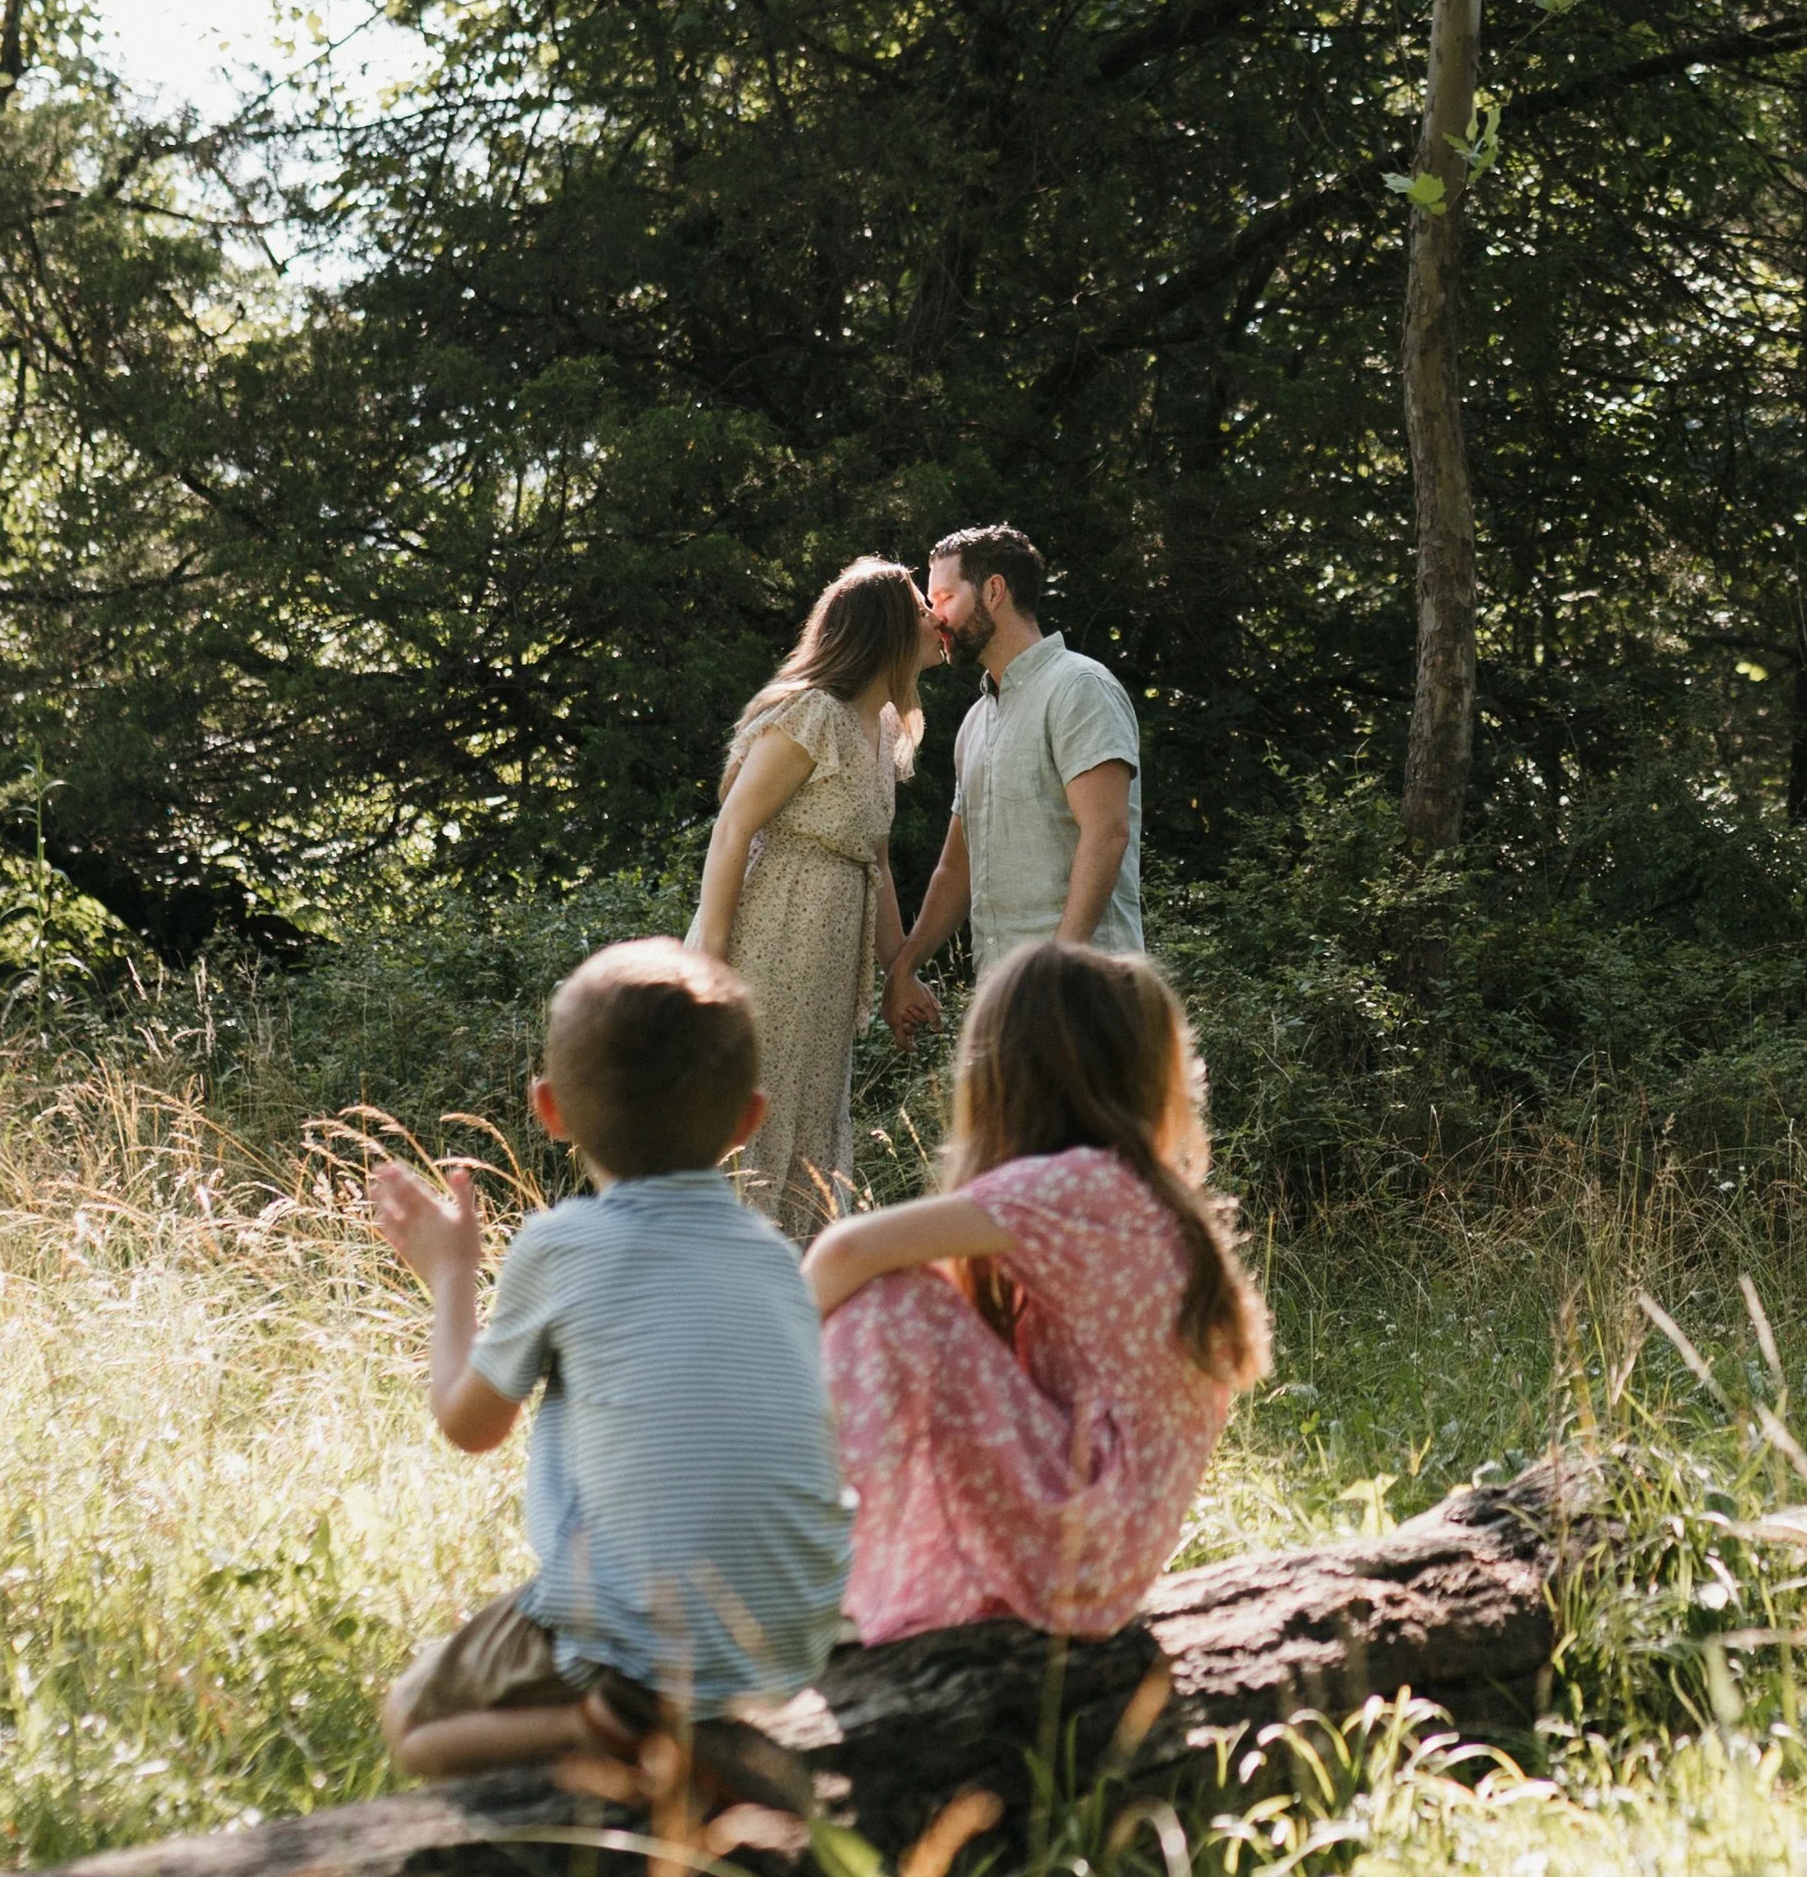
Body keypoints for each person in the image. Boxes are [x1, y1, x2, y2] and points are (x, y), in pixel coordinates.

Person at [366, 937, 850, 1794]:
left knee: (412, 1723)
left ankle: (604, 1728)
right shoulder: (776, 1256)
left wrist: (450, 1273)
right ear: (749, 1119)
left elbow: (468, 1423)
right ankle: (678, 1737)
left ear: (547, 1110)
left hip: (639, 1642)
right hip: (795, 1628)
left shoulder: (562, 1245)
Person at [803, 940, 1268, 1643]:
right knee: (926, 1294)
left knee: (890, 1303)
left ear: (1008, 1073)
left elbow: (846, 1249)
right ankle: (867, 1576)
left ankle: (810, 1570)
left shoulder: (1078, 1185)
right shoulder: (1131, 1193)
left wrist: (762, 1372)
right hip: (1106, 1555)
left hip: (1082, 1548)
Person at [688, 558, 947, 1237]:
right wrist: (710, 960)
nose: (936, 617)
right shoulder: (814, 715)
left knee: (805, 1115)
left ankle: (793, 1283)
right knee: (758, 1109)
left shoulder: (884, 732)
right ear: (887, 627)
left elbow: (878, 860)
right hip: (772, 943)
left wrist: (900, 971)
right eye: (922, 607)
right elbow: (735, 825)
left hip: (828, 969)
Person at [884, 525, 1140, 1045]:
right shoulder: (976, 721)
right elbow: (958, 865)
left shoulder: (1079, 687)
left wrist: (1055, 974)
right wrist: (904, 968)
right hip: (1004, 1003)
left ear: (995, 592)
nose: (936, 617)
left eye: (946, 597)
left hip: (1086, 998)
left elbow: (1107, 834)